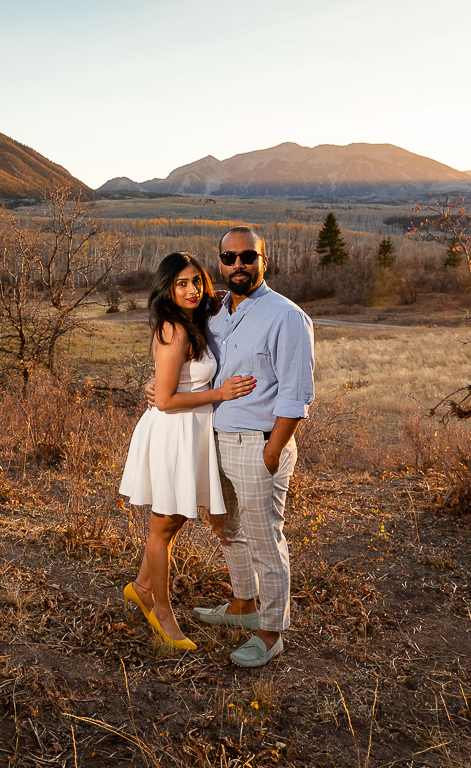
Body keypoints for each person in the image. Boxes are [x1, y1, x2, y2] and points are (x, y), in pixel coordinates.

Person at [119, 252, 256, 651]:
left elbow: (170, 381)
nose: (192, 289)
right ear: (167, 288)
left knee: (175, 519)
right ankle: (160, 611)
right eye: (181, 283)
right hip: (173, 433)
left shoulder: (193, 321)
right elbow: (164, 400)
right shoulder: (173, 329)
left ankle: (141, 585)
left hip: (191, 431)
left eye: (196, 281)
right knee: (163, 526)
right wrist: (221, 393)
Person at [195, 225, 315, 667]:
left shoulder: (286, 316)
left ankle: (270, 631)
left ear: (265, 259)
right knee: (225, 525)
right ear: (220, 262)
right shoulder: (216, 313)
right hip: (217, 438)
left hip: (259, 442)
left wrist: (272, 451)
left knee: (265, 538)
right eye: (229, 258)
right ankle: (244, 606)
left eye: (248, 256)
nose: (238, 265)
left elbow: (296, 393)